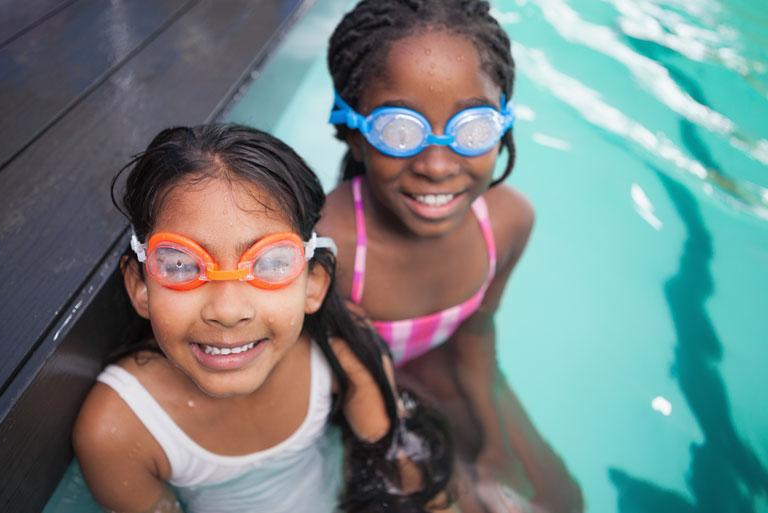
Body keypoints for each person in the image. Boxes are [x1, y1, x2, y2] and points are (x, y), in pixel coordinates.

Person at [73, 124, 454, 513]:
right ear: (139, 286)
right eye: (180, 264)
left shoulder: (341, 345)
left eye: (270, 262)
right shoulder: (120, 429)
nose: (228, 311)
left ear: (314, 284)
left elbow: (406, 480)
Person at [316, 1, 583, 512]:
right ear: (353, 127)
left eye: (473, 128)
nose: (437, 166)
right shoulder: (330, 245)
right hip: (354, 396)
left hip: (440, 363)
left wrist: (495, 442)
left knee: (557, 500)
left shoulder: (505, 223)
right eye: (399, 130)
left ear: (503, 122)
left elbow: (477, 337)